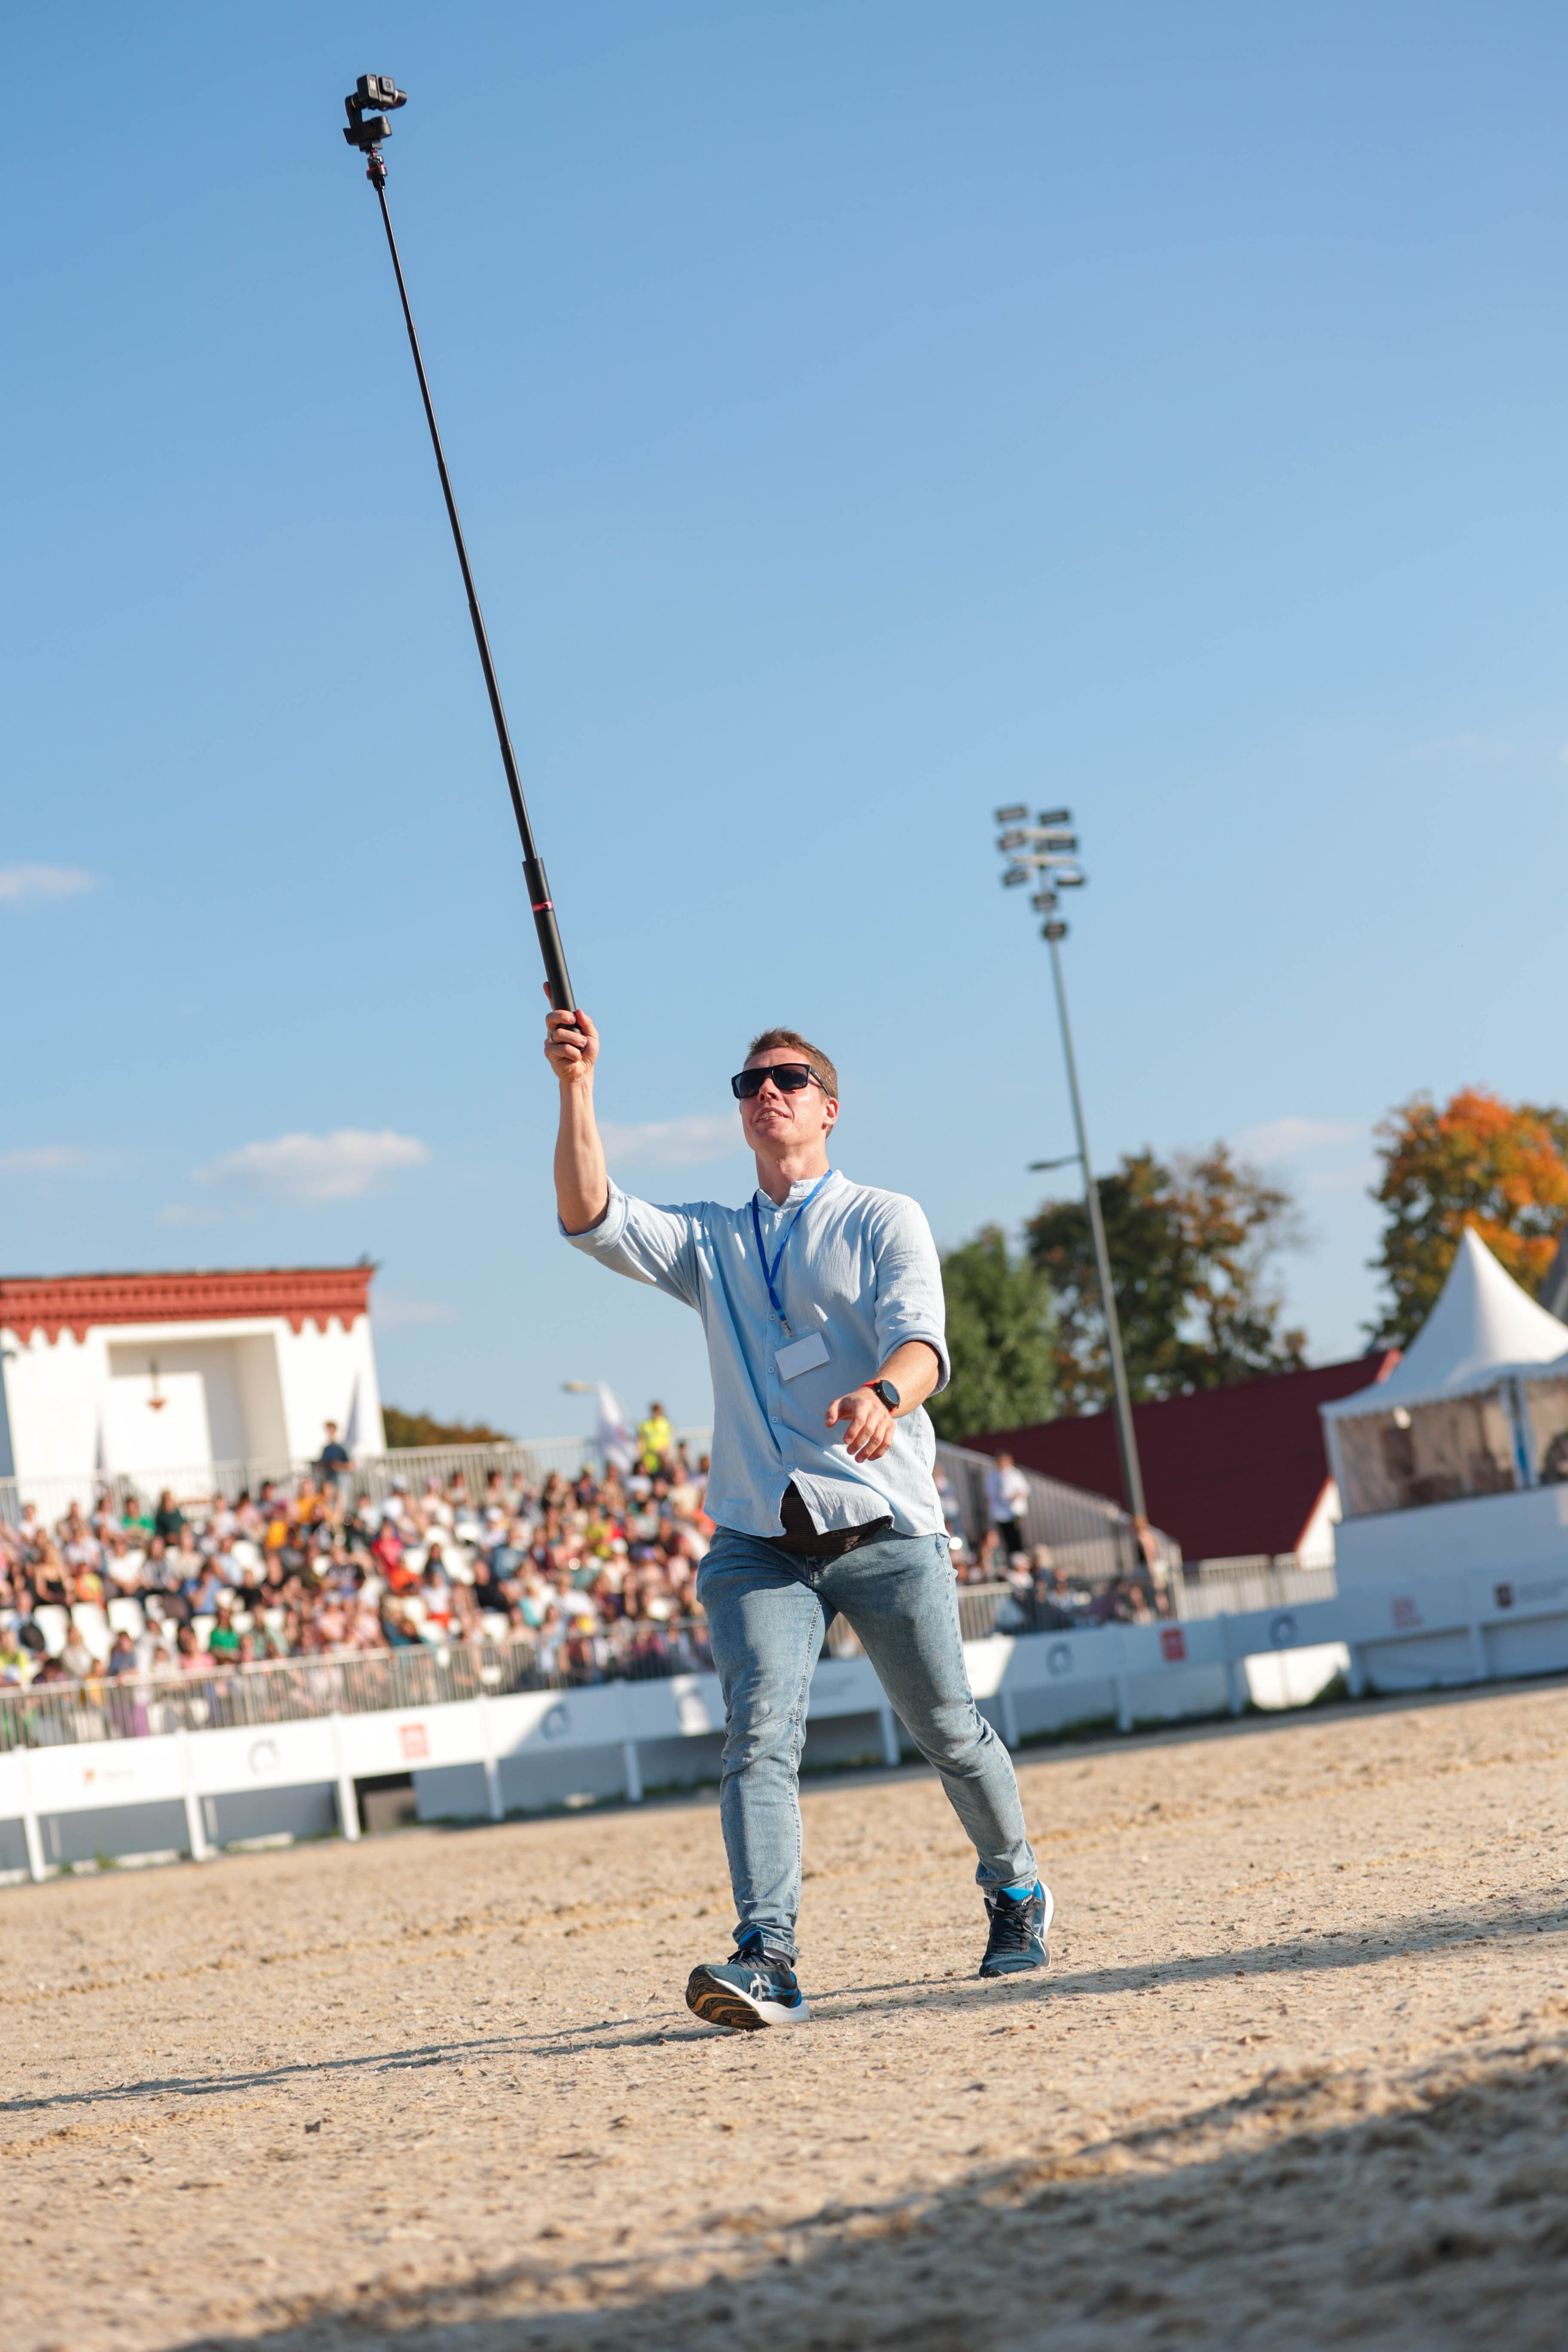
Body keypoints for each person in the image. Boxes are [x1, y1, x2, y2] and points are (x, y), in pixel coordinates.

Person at [547, 1001, 1050, 2032]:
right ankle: (767, 1957)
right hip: (759, 1541)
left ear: (829, 1109)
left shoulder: (883, 1217)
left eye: (787, 1080)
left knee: (947, 1731)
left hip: (884, 1525)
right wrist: (577, 1087)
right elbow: (591, 1216)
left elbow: (924, 1344)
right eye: (750, 1084)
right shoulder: (713, 1238)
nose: (766, 1094)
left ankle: (1015, 1888)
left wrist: (885, 1395)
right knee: (759, 1737)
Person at [984, 1452, 1030, 1563]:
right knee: (1006, 1538)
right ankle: (1012, 1559)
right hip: (1000, 1513)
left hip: (1013, 1512)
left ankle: (1020, 1559)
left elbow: (1024, 1490)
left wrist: (1015, 1497)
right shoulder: (993, 1476)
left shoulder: (1014, 1474)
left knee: (1017, 1538)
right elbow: (988, 1494)